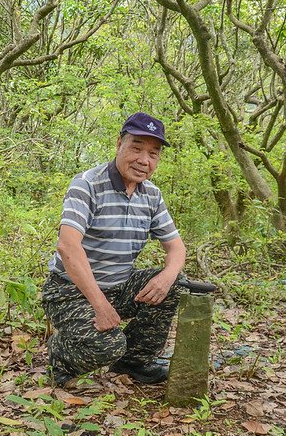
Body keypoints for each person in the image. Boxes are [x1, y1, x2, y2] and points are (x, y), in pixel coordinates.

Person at [41, 112, 186, 387]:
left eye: (153, 154)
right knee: (108, 346)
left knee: (174, 282)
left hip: (119, 286)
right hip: (69, 292)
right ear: (119, 143)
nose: (144, 160)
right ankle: (60, 355)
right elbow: (68, 245)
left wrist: (166, 278)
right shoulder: (87, 184)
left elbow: (177, 248)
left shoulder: (151, 195)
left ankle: (134, 362)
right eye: (136, 148)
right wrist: (100, 306)